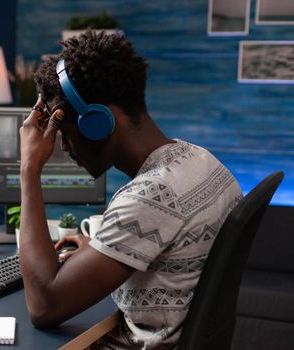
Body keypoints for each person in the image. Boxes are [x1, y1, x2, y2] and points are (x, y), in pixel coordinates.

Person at [18, 30, 242, 349]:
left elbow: (43, 306)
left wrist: (28, 169)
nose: (63, 146)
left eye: (65, 133)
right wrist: (105, 245)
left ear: (101, 121)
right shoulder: (200, 160)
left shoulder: (149, 196)